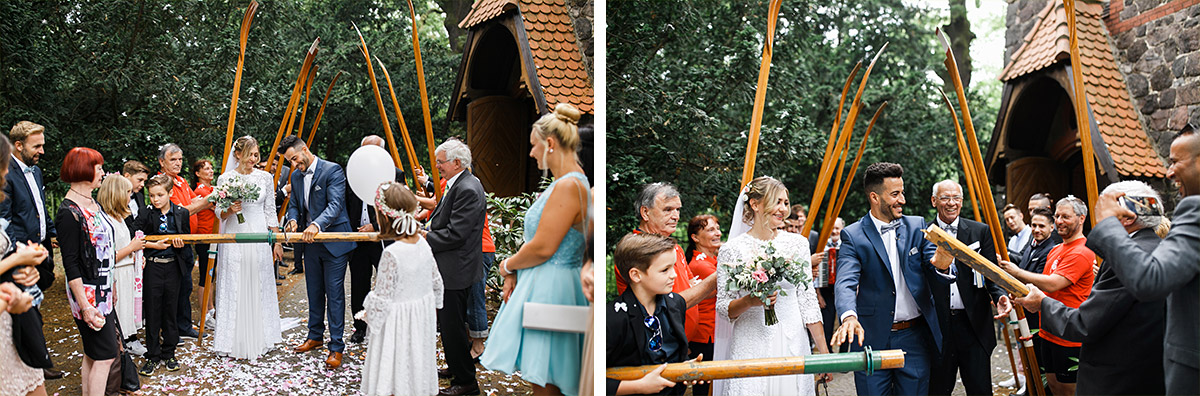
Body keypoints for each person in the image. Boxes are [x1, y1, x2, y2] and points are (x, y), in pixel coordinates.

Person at [1013, 181, 1167, 395]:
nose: (1099, 219)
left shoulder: (1129, 259)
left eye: (1104, 209)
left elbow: (1086, 322)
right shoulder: (1154, 249)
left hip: (1121, 372)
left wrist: (1042, 303)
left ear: (1129, 218)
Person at [482, 103, 592, 396]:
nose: (531, 153)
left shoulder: (570, 186)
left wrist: (507, 266)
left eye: (534, 146)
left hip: (553, 287)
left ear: (551, 144)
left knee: (548, 380)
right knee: (542, 376)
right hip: (544, 281)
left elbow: (543, 247)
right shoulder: (565, 184)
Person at [1083, 125, 1199, 395]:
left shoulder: (1195, 211)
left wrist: (1107, 224)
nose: (1168, 172)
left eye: (1175, 162)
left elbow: (1150, 280)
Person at [830, 162, 953, 396]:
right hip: (871, 338)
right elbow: (845, 280)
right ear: (875, 197)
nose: (902, 200)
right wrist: (848, 316)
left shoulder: (917, 225)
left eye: (902, 193)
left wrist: (944, 262)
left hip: (914, 338)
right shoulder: (853, 235)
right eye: (895, 194)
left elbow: (933, 263)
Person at [715, 176, 830, 395]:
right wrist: (750, 300)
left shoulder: (798, 244)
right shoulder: (732, 250)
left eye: (785, 203)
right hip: (750, 342)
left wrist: (823, 355)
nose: (783, 209)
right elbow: (723, 308)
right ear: (755, 204)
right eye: (776, 202)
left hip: (792, 340)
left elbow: (808, 303)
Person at [998, 196, 1095, 396]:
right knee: (1052, 386)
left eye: (1066, 216)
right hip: (1047, 331)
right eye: (1057, 215)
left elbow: (1054, 283)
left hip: (1069, 335)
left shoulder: (1082, 251)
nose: (1059, 220)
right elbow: (1042, 287)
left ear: (1081, 218)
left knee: (1069, 391)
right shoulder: (1056, 249)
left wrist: (1016, 273)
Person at [357, 181, 443, 395]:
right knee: (413, 371)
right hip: (420, 321)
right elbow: (437, 283)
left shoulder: (392, 254)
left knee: (393, 373)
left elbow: (382, 298)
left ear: (384, 217)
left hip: (396, 326)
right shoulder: (423, 244)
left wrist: (368, 313)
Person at [926, 180, 1010, 396]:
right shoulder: (923, 233)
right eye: (945, 198)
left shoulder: (979, 231)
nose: (951, 203)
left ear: (962, 202)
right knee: (937, 389)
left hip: (974, 324)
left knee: (979, 389)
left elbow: (991, 274)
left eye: (956, 198)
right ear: (934, 201)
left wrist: (999, 295)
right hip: (938, 326)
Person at [278, 135, 355, 368]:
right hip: (310, 244)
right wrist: (292, 221)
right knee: (313, 291)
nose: (294, 164)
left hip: (334, 243)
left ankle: (336, 346)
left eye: (295, 158)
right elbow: (294, 206)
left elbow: (335, 205)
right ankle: (315, 337)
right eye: (290, 161)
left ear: (305, 149)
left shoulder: (332, 170)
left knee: (334, 294)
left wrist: (316, 224)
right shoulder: (295, 176)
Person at [612, 183, 718, 341]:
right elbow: (669, 304)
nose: (676, 216)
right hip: (658, 344)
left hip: (683, 341)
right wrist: (721, 275)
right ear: (645, 212)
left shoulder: (674, 246)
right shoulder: (637, 249)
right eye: (668, 210)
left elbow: (691, 286)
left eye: (678, 209)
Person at [211, 136, 283, 360]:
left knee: (258, 281)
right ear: (238, 155)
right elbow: (219, 213)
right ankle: (232, 340)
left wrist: (277, 240)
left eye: (256, 154)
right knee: (235, 282)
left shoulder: (265, 177)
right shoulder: (225, 178)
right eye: (250, 154)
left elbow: (270, 210)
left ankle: (262, 336)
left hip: (260, 233)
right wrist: (230, 210)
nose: (254, 158)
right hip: (235, 233)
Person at [56, 147, 120, 395]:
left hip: (103, 289)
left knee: (93, 353)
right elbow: (70, 264)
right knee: (105, 354)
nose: (103, 172)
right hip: (87, 294)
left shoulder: (94, 203)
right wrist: (85, 305)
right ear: (84, 170)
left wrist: (111, 284)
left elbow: (105, 248)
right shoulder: (68, 213)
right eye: (99, 167)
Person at [425, 138, 486, 396]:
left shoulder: (468, 189)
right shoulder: (460, 184)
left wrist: (424, 236)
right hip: (451, 267)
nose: (437, 166)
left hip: (456, 269)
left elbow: (456, 234)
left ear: (457, 163)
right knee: (451, 325)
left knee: (452, 326)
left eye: (441, 162)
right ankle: (456, 366)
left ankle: (467, 382)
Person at [0, 121, 61, 381]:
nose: (42, 151)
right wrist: (19, 258)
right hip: (18, 254)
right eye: (37, 146)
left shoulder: (35, 172)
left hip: (39, 250)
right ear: (18, 145)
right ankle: (35, 359)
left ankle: (36, 356)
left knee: (36, 302)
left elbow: (38, 208)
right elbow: (6, 221)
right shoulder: (6, 174)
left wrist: (53, 233)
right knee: (28, 308)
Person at [607, 233, 691, 396]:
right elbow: (590, 378)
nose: (674, 274)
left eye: (673, 267)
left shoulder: (676, 303)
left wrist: (686, 367)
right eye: (665, 270)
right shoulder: (612, 319)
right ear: (636, 275)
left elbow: (674, 351)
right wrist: (639, 386)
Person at [347, 135, 406, 345]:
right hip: (358, 240)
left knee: (387, 283)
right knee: (358, 284)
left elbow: (399, 208)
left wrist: (377, 225)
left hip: (384, 240)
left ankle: (389, 326)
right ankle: (360, 327)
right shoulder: (352, 172)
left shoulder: (395, 174)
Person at [134, 174, 192, 376]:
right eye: (151, 195)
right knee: (152, 311)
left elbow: (187, 239)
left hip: (173, 267)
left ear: (170, 193)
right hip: (152, 267)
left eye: (160, 195)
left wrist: (181, 244)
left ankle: (169, 353)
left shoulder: (181, 213)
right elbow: (136, 237)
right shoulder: (145, 213)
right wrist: (151, 246)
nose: (155, 199)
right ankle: (152, 355)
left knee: (171, 310)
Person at [155, 144, 212, 340]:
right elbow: (179, 212)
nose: (178, 163)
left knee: (185, 285)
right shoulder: (161, 184)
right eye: (173, 159)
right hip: (172, 243)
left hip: (187, 242)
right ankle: (170, 330)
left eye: (180, 159)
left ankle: (184, 325)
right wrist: (207, 201)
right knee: (172, 289)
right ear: (162, 162)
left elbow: (193, 200)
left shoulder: (181, 181)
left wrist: (208, 200)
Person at [997, 206, 1057, 390]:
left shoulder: (1051, 249)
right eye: (1034, 225)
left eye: (1041, 226)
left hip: (1038, 315)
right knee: (1026, 354)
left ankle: (1039, 388)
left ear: (1052, 227)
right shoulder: (1032, 246)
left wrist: (1016, 274)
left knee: (1039, 357)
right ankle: (1030, 386)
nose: (1037, 230)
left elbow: (1036, 282)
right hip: (1024, 311)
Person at [97, 174, 148, 356]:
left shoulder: (120, 218)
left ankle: (129, 340)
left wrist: (135, 256)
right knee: (118, 312)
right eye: (127, 192)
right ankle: (120, 346)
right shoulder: (105, 221)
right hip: (116, 274)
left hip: (127, 271)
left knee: (128, 310)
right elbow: (106, 256)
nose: (130, 196)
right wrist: (131, 248)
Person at [684, 214, 719, 396]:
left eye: (717, 228)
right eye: (710, 230)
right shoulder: (702, 266)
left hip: (711, 332)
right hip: (706, 334)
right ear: (695, 237)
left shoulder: (710, 260)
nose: (718, 233)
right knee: (704, 388)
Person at [190, 158, 217, 314]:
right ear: (198, 173)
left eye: (211, 168)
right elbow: (218, 207)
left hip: (213, 235)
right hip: (205, 236)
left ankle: (211, 308)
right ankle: (205, 314)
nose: (211, 171)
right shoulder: (201, 191)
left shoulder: (211, 188)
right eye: (206, 169)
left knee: (210, 275)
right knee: (205, 276)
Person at [815, 217, 844, 353]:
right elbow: (815, 273)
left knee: (845, 321)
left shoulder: (846, 245)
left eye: (837, 228)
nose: (834, 231)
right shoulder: (822, 246)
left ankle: (845, 355)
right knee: (827, 323)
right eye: (832, 228)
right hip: (826, 291)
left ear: (842, 229)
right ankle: (829, 354)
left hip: (843, 291)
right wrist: (818, 294)